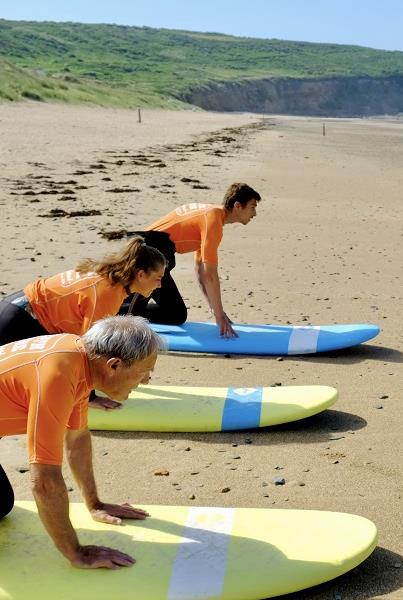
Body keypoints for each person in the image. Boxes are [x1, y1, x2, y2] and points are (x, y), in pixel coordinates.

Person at [0, 315, 161, 569]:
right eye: (144, 372)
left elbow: (77, 438)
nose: (147, 380)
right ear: (114, 365)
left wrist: (94, 504)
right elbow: (43, 482)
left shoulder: (80, 359)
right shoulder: (60, 374)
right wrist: (77, 553)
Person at [120, 182, 260, 339]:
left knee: (175, 314)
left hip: (155, 254)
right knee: (128, 314)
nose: (254, 213)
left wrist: (216, 310)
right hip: (144, 253)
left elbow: (201, 271)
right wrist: (219, 316)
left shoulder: (211, 218)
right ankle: (109, 320)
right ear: (237, 206)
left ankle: (127, 311)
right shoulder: (212, 219)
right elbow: (210, 275)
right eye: (252, 207)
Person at [0, 236, 166, 345]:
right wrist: (92, 397)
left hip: (13, 308)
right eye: (158, 278)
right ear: (141, 274)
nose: (159, 285)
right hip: (18, 322)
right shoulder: (106, 293)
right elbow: (88, 346)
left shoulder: (106, 275)